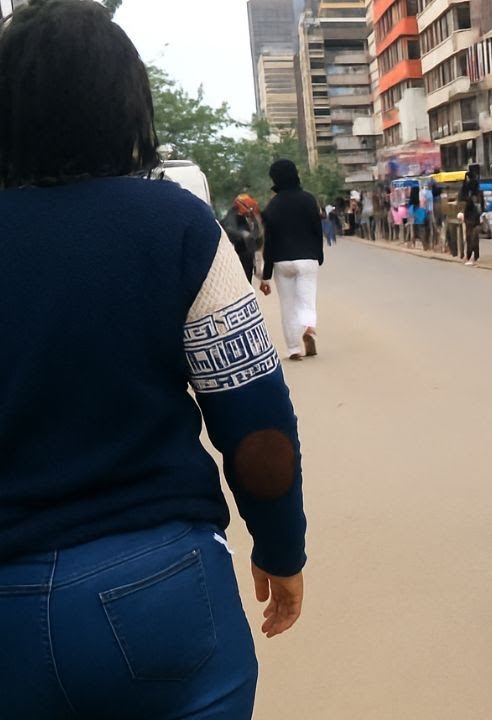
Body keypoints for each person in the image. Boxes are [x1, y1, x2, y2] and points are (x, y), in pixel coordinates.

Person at [0, 2, 307, 717]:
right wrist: (281, 547)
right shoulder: (176, 225)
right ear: (127, 108)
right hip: (160, 592)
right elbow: (257, 428)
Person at [261, 159, 324, 361]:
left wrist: (266, 275)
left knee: (287, 305)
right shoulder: (308, 199)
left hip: (282, 261)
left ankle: (293, 348)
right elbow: (317, 229)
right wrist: (318, 255)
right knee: (307, 298)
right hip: (308, 258)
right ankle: (308, 326)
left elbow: (269, 241)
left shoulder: (272, 206)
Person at [221, 192, 264, 283]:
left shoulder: (245, 216)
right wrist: (242, 234)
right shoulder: (232, 216)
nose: (250, 209)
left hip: (247, 251)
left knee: (247, 275)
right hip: (238, 251)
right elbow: (228, 230)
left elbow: (257, 234)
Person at [459, 164, 484, 266]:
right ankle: (476, 255)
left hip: (469, 218)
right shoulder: (478, 190)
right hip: (476, 217)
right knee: (475, 237)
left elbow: (462, 201)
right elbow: (482, 204)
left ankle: (468, 256)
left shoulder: (466, 190)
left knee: (469, 238)